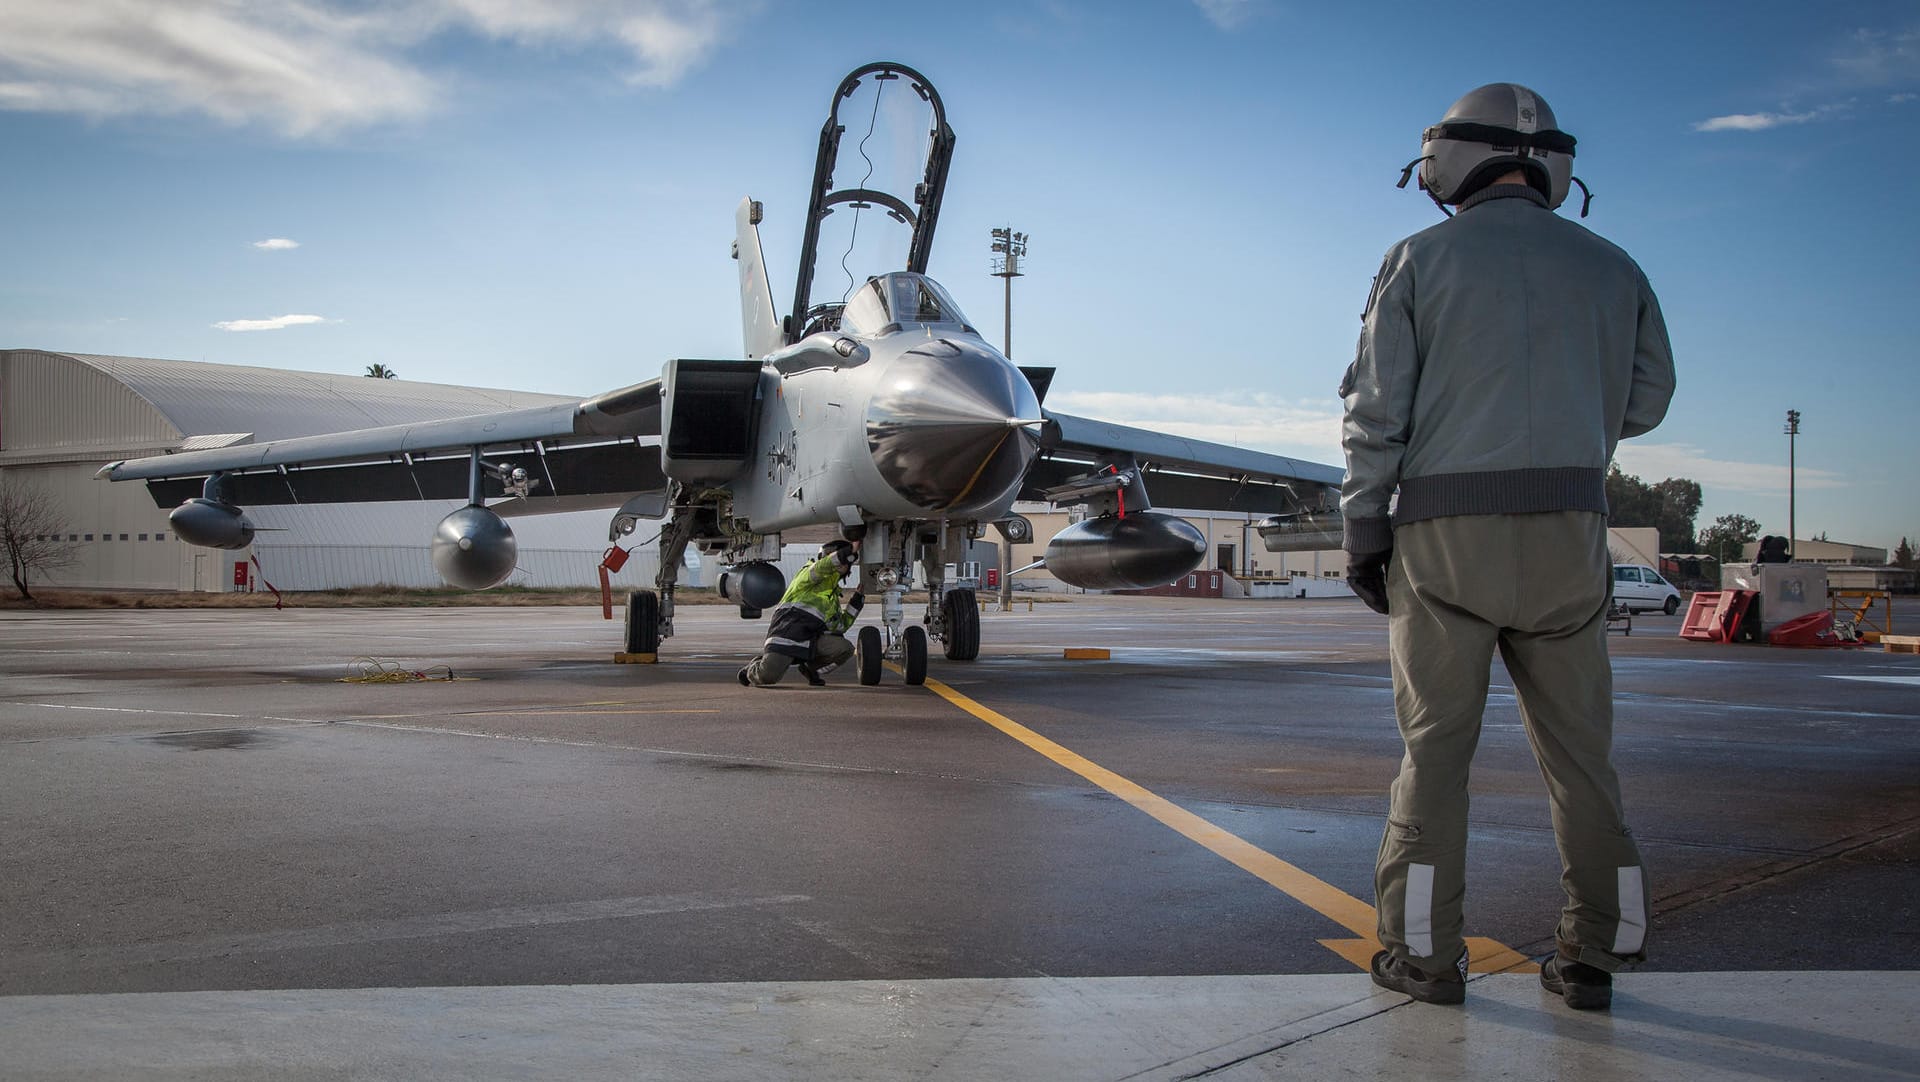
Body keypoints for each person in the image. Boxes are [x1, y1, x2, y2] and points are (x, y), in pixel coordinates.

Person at [1340, 83, 1676, 1011]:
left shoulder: (1416, 258)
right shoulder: (1616, 268)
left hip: (1446, 542)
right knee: (1583, 762)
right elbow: (1647, 401)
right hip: (1572, 537)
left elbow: (1376, 412)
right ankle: (1599, 955)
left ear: (1451, 160)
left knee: (1435, 759)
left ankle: (1423, 957)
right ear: (1550, 166)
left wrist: (1366, 527)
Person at [739, 539, 863, 687]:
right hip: (788, 632)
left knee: (845, 649)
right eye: (841, 559)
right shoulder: (809, 573)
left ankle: (811, 667)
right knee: (768, 677)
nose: (844, 564)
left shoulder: (832, 598)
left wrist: (857, 600)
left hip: (810, 639)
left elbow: (840, 626)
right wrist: (848, 551)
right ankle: (751, 669)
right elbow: (824, 567)